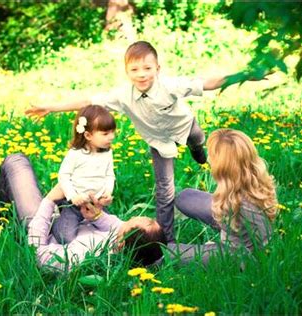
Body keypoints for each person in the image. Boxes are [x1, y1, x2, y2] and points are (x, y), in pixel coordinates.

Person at [26, 41, 267, 242]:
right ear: (127, 72)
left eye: (147, 68)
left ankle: (197, 149)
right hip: (159, 142)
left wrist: (246, 75)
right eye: (134, 70)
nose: (141, 74)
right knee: (165, 190)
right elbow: (89, 100)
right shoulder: (122, 96)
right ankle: (166, 240)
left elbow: (208, 83)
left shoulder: (170, 85)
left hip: (185, 127)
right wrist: (52, 108)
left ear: (157, 68)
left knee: (198, 139)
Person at [0, 153, 166, 270]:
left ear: (120, 244)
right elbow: (116, 225)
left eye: (127, 224)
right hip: (70, 219)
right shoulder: (136, 248)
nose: (123, 222)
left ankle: (2, 228)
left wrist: (49, 201)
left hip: (40, 231)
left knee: (15, 161)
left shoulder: (82, 256)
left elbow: (37, 253)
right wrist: (97, 215)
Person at [167, 129, 278, 264]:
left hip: (238, 255)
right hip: (236, 227)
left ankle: (215, 247)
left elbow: (258, 245)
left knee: (165, 252)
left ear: (224, 165)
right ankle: (220, 238)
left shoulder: (241, 201)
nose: (208, 159)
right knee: (185, 197)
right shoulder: (252, 180)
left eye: (212, 156)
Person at [39, 105, 116, 244]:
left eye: (112, 132)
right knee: (65, 237)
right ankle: (57, 220)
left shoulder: (107, 153)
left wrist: (107, 193)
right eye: (105, 134)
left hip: (97, 204)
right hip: (74, 205)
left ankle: (88, 227)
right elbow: (64, 176)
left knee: (112, 231)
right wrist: (73, 196)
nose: (112, 137)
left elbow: (109, 175)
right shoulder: (76, 154)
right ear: (88, 135)